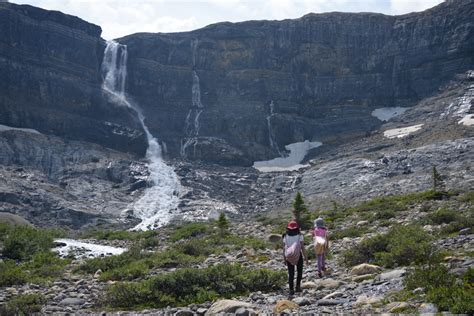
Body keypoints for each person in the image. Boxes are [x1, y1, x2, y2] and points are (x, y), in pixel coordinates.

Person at [282, 220, 309, 296]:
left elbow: (284, 248)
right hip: (298, 255)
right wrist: (306, 258)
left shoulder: (285, 235)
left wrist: (284, 259)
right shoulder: (300, 235)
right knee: (299, 272)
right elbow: (302, 248)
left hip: (289, 256)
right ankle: (297, 287)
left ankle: (291, 290)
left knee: (291, 273)